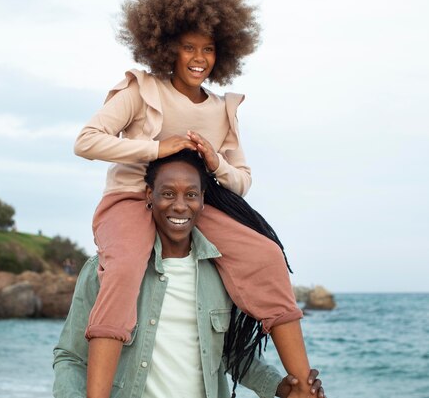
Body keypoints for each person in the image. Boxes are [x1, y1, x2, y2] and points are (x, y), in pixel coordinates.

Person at [73, 0, 315, 397]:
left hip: (194, 205)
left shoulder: (223, 110)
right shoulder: (141, 91)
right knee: (128, 264)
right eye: (189, 47)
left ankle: (303, 387)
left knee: (266, 254)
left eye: (208, 49)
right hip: (131, 198)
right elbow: (87, 140)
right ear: (168, 48)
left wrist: (215, 161)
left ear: (222, 53)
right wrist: (156, 147)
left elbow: (241, 181)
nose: (199, 58)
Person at [53, 150, 326, 398]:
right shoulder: (108, 271)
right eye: (168, 193)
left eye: (191, 194)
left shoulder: (222, 270)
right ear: (150, 195)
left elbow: (229, 354)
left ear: (203, 199)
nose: (180, 206)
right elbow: (71, 356)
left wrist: (280, 387)